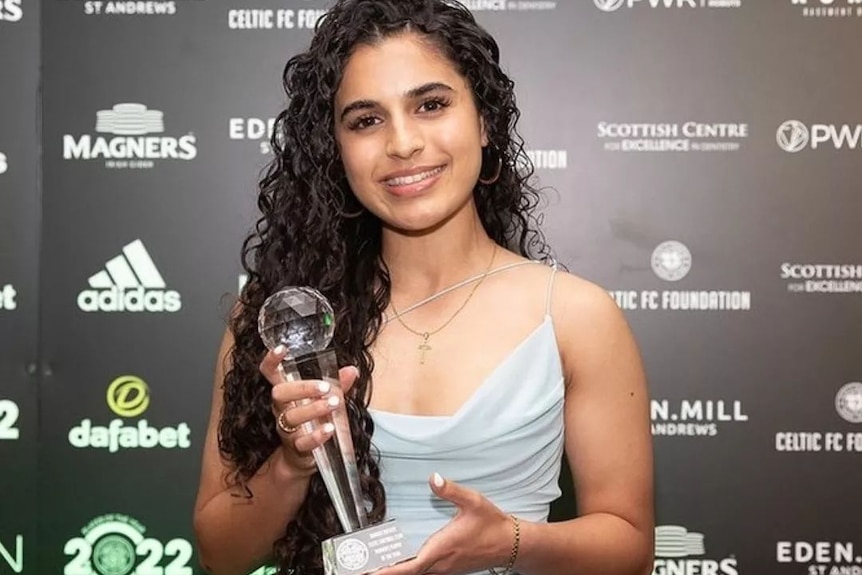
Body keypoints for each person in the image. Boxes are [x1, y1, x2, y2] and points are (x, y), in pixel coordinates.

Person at [193, 1, 654, 575]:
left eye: (431, 105)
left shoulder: (575, 315)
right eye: (366, 120)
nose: (403, 143)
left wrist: (511, 540)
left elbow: (630, 548)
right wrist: (292, 463)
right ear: (337, 151)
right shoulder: (287, 323)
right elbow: (220, 552)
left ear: (485, 120)